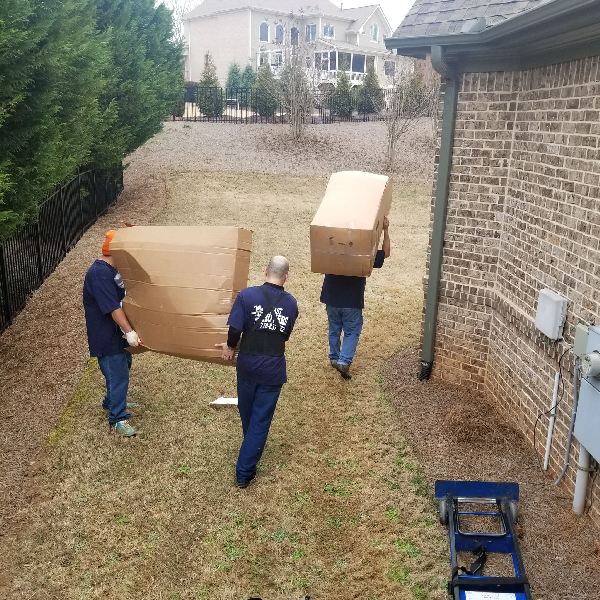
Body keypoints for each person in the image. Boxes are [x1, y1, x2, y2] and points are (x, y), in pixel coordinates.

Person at [217, 256, 298, 488]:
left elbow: (235, 329)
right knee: (259, 420)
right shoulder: (291, 303)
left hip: (248, 365)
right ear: (286, 276)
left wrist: (230, 347)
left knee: (248, 411)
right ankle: (245, 470)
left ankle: (246, 465)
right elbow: (284, 335)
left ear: (265, 271)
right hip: (272, 368)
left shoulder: (246, 296)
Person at [83, 230, 141, 437]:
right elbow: (112, 307)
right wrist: (129, 331)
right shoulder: (99, 274)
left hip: (117, 335)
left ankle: (113, 401)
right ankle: (117, 417)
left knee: (123, 366)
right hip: (106, 336)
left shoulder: (112, 270)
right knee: (117, 374)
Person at [320, 216, 391, 380]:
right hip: (351, 301)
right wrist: (386, 230)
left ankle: (334, 357)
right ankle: (344, 361)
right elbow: (386, 253)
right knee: (352, 331)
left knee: (334, 328)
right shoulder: (363, 251)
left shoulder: (331, 247)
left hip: (331, 298)